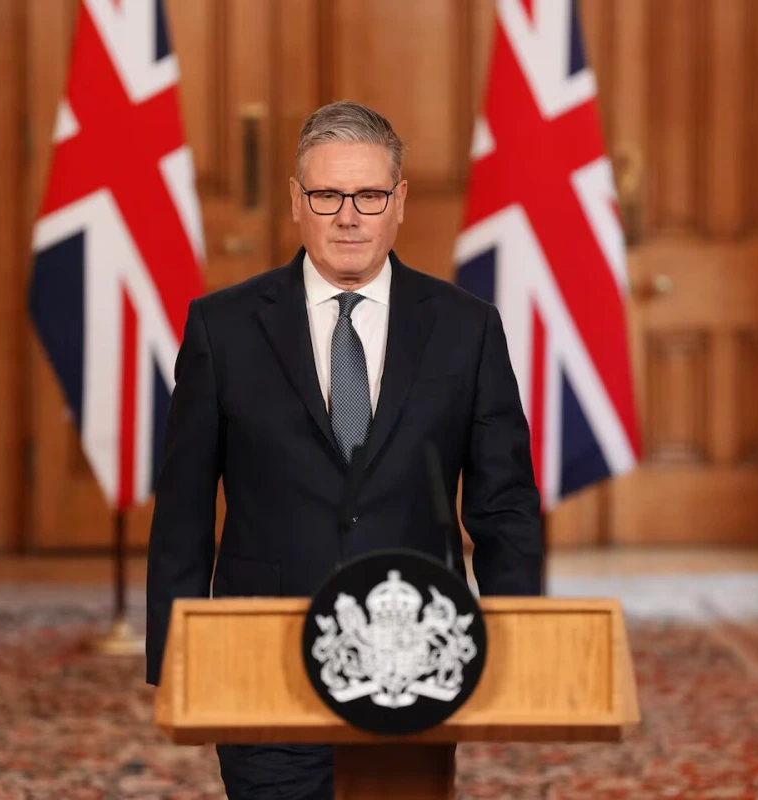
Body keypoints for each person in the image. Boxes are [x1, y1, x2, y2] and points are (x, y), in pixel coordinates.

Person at [146, 100, 542, 800]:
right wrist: (178, 660)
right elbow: (181, 510)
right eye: (328, 195)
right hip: (259, 661)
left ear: (399, 203)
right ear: (297, 203)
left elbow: (503, 503)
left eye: (369, 195)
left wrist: (525, 644)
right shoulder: (223, 328)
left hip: (413, 651)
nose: (349, 216)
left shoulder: (466, 330)